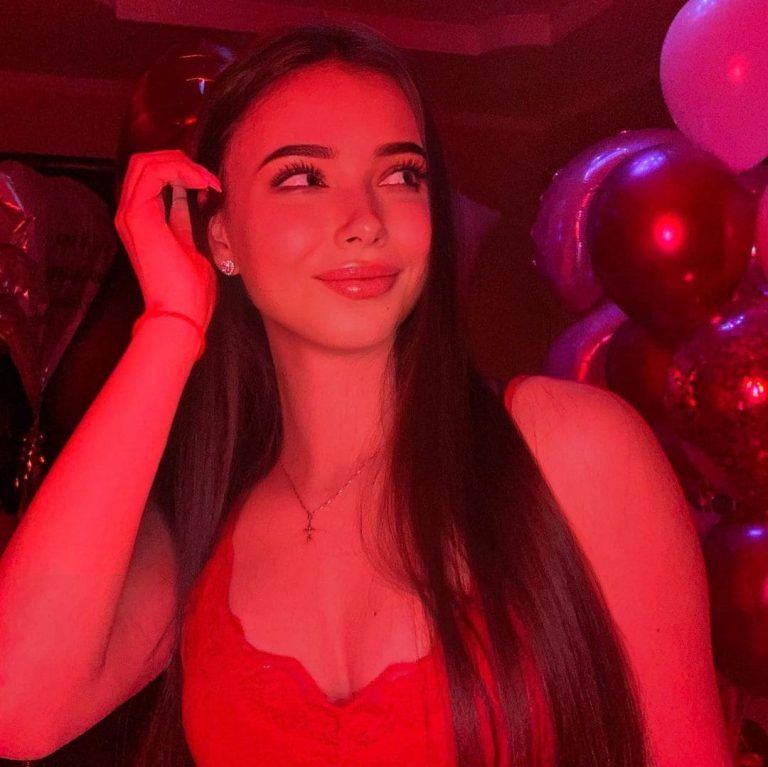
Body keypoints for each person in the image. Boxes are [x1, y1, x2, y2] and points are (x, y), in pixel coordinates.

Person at [0, 23, 731, 767]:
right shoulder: (203, 513)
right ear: (220, 238)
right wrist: (170, 323)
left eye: (401, 175)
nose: (366, 222)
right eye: (303, 177)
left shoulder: (567, 450)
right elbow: (18, 706)